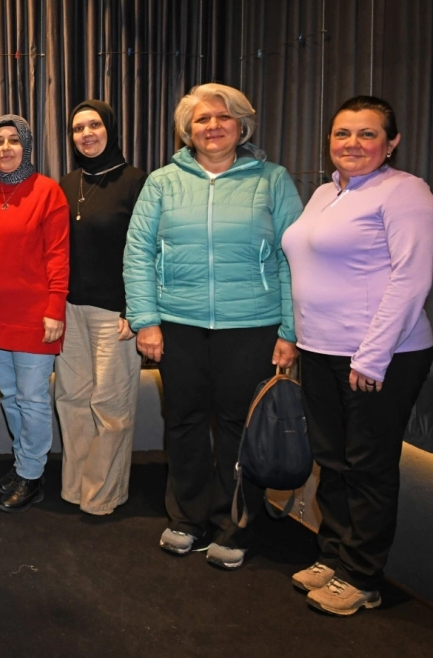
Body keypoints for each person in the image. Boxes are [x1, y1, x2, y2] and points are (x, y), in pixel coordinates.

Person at [124, 83, 302, 570]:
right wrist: (146, 320)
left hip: (253, 324)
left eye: (224, 117)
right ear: (188, 130)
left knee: (238, 428)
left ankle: (234, 523)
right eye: (202, 119)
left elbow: (294, 257)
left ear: (242, 126)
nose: (213, 126)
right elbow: (137, 253)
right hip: (178, 324)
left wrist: (290, 331)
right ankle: (187, 518)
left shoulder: (272, 179)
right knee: (183, 423)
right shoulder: (162, 182)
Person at [281, 95, 433, 616]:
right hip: (320, 348)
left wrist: (373, 356)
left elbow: (412, 278)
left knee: (368, 465)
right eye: (342, 133)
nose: (353, 143)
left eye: (367, 134)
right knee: (332, 460)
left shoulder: (405, 191)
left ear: (391, 143)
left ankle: (363, 576)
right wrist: (295, 336)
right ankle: (334, 556)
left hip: (379, 356)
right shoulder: (326, 192)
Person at [53, 100, 147, 515]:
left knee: (111, 407)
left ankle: (102, 495)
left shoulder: (136, 182)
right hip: (71, 309)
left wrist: (136, 309)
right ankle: (76, 487)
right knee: (71, 400)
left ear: (110, 128)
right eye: (78, 128)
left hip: (116, 313)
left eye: (94, 125)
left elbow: (148, 250)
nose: (86, 134)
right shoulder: (67, 183)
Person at [0, 114, 70, 512]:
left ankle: (32, 474)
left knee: (31, 398)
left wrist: (55, 308)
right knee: (10, 395)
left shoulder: (48, 192)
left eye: (14, 140)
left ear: (26, 146)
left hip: (35, 315)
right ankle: (23, 464)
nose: (6, 148)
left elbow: (58, 255)